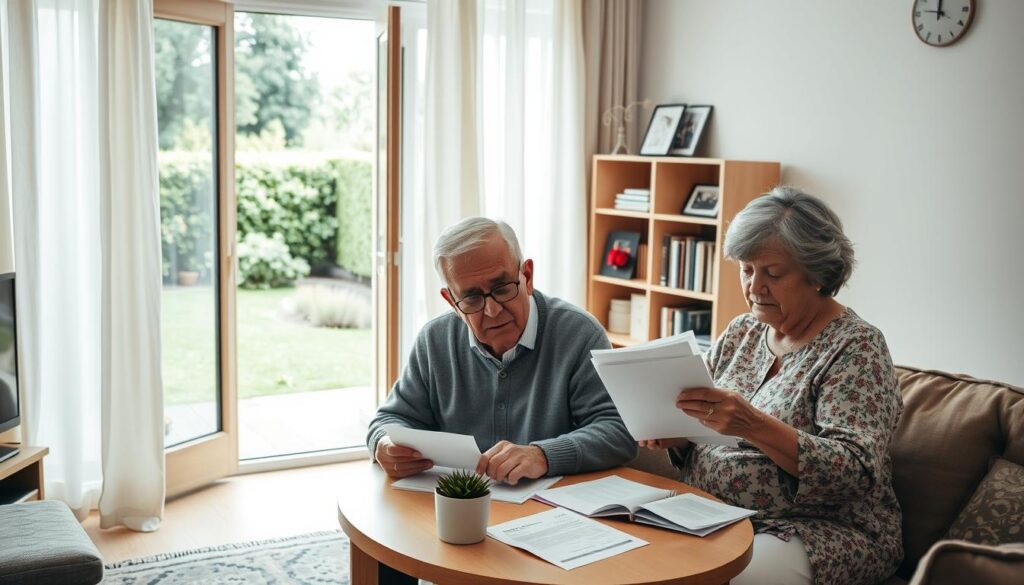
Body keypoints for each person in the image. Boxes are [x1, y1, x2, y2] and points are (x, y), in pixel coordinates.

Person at [641, 187, 902, 585]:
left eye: (773, 274)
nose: (754, 287)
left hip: (819, 529)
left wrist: (751, 424)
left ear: (817, 274)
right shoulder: (742, 331)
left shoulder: (857, 347)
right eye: (746, 270)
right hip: (715, 513)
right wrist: (675, 435)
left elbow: (855, 472)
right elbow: (704, 429)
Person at [367, 217, 636, 486]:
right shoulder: (434, 340)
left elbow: (618, 432)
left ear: (527, 276)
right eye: (472, 298)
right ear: (452, 302)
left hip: (551, 514)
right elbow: (389, 419)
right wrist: (383, 444)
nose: (492, 310)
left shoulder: (579, 334)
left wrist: (542, 455)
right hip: (458, 510)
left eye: (502, 288)